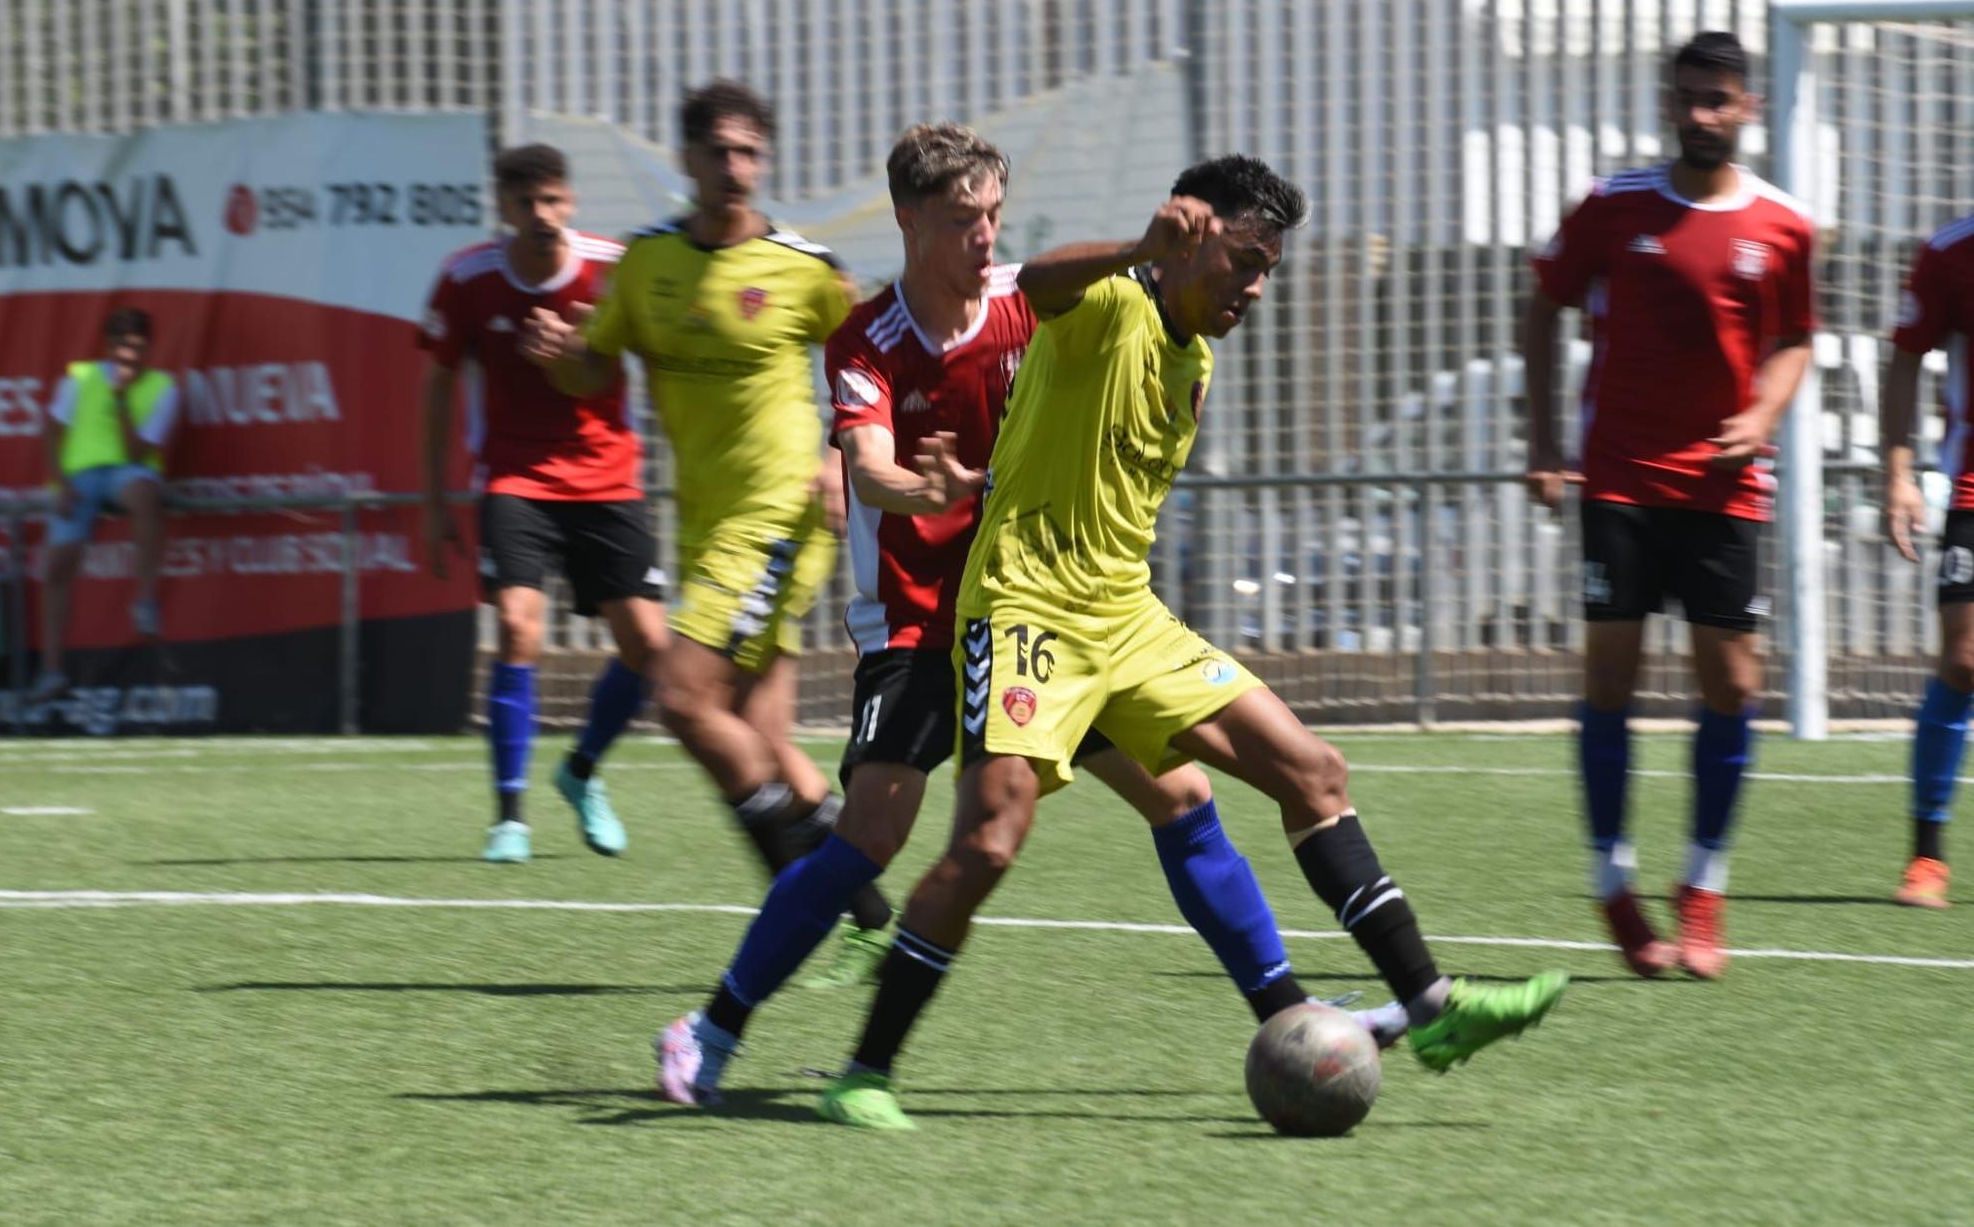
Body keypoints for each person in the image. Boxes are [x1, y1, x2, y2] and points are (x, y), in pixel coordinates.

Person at [652, 124, 1403, 1107]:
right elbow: (867, 461)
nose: (983, 236)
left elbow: (1080, 301)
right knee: (873, 831)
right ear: (909, 219)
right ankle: (713, 1029)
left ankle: (1291, 1016)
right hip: (920, 621)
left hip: (1042, 616)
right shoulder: (866, 338)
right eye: (963, 218)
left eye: (993, 215)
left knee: (1179, 800)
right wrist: (918, 493)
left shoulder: (1032, 305)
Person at [816, 154, 1569, 1132]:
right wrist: (1138, 247)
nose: (1252, 288)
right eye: (1242, 262)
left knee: (1312, 770)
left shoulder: (1192, 360)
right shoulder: (1109, 306)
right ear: (1187, 237)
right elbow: (1040, 282)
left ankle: (1429, 1007)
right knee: (991, 839)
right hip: (1023, 614)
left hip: (1126, 621)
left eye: (1267, 270)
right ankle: (862, 1070)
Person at [521, 81, 891, 929]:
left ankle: (797, 919)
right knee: (764, 742)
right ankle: (867, 918)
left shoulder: (803, 269)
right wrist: (560, 356)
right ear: (686, 160)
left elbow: (876, 361)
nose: (735, 167)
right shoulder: (646, 265)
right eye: (718, 151)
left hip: (780, 517)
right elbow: (593, 368)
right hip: (706, 526)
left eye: (749, 151)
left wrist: (842, 456)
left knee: (684, 700)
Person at [1523, 32, 1818, 978]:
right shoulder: (1614, 209)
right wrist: (1541, 447)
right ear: (1668, 100)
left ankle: (1702, 888)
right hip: (1618, 481)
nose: (1700, 115)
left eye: (1717, 100)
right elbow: (1542, 308)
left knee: (1731, 686)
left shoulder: (1784, 226)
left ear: (1748, 109)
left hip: (1727, 489)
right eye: (1687, 98)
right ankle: (1613, 881)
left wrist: (1763, 412)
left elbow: (1797, 340)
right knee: (1610, 679)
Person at [418, 143, 667, 863]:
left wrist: (570, 355)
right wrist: (434, 499)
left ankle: (580, 771)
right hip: (516, 477)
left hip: (607, 477)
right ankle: (511, 818)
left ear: (572, 201)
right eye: (525, 202)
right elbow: (435, 388)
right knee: (520, 628)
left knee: (649, 647)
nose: (541, 215)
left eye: (553, 200)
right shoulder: (465, 279)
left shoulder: (610, 267)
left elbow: (625, 365)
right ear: (501, 205)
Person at [1880, 209, 1974, 911]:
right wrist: (1899, 473)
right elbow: (1907, 354)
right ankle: (1926, 855)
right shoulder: (1951, 252)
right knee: (1964, 659)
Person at [32, 307, 178, 702]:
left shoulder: (164, 387)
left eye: (136, 346)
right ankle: (51, 672)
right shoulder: (79, 377)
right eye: (121, 345)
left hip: (127, 473)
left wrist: (122, 398)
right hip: (79, 477)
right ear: (108, 345)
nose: (128, 354)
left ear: (148, 347)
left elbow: (136, 450)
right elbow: (52, 431)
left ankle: (145, 601)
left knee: (147, 496)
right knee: (60, 560)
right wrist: (59, 484)